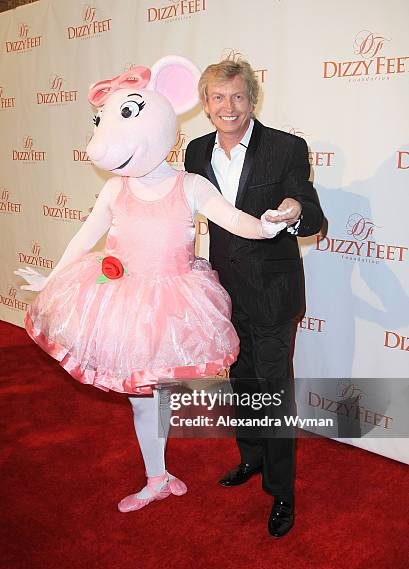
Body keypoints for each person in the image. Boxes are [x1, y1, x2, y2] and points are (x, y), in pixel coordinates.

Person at [15, 57, 283, 514]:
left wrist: (270, 226)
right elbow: (86, 235)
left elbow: (235, 221)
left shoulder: (191, 184)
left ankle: (215, 463)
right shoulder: (115, 189)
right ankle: (156, 477)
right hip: (121, 302)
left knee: (163, 397)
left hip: (176, 305)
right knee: (141, 400)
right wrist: (55, 276)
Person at [184, 59, 323, 537]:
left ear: (252, 100)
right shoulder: (195, 152)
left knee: (273, 390)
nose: (229, 107)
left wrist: (295, 209)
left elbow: (311, 208)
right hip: (223, 291)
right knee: (241, 382)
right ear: (205, 105)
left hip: (272, 292)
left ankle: (281, 491)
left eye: (238, 96)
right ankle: (251, 458)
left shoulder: (286, 147)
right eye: (218, 98)